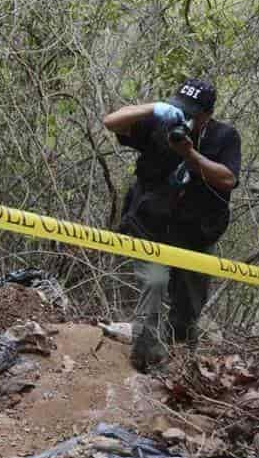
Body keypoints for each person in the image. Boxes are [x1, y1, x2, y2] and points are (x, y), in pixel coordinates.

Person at [103, 78, 241, 372]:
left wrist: (189, 154)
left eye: (192, 113)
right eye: (181, 108)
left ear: (206, 115)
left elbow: (228, 178)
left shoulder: (225, 137)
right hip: (149, 226)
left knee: (189, 303)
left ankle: (179, 361)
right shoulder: (161, 124)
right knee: (154, 283)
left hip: (196, 234)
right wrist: (155, 109)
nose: (186, 116)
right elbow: (111, 122)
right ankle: (145, 358)